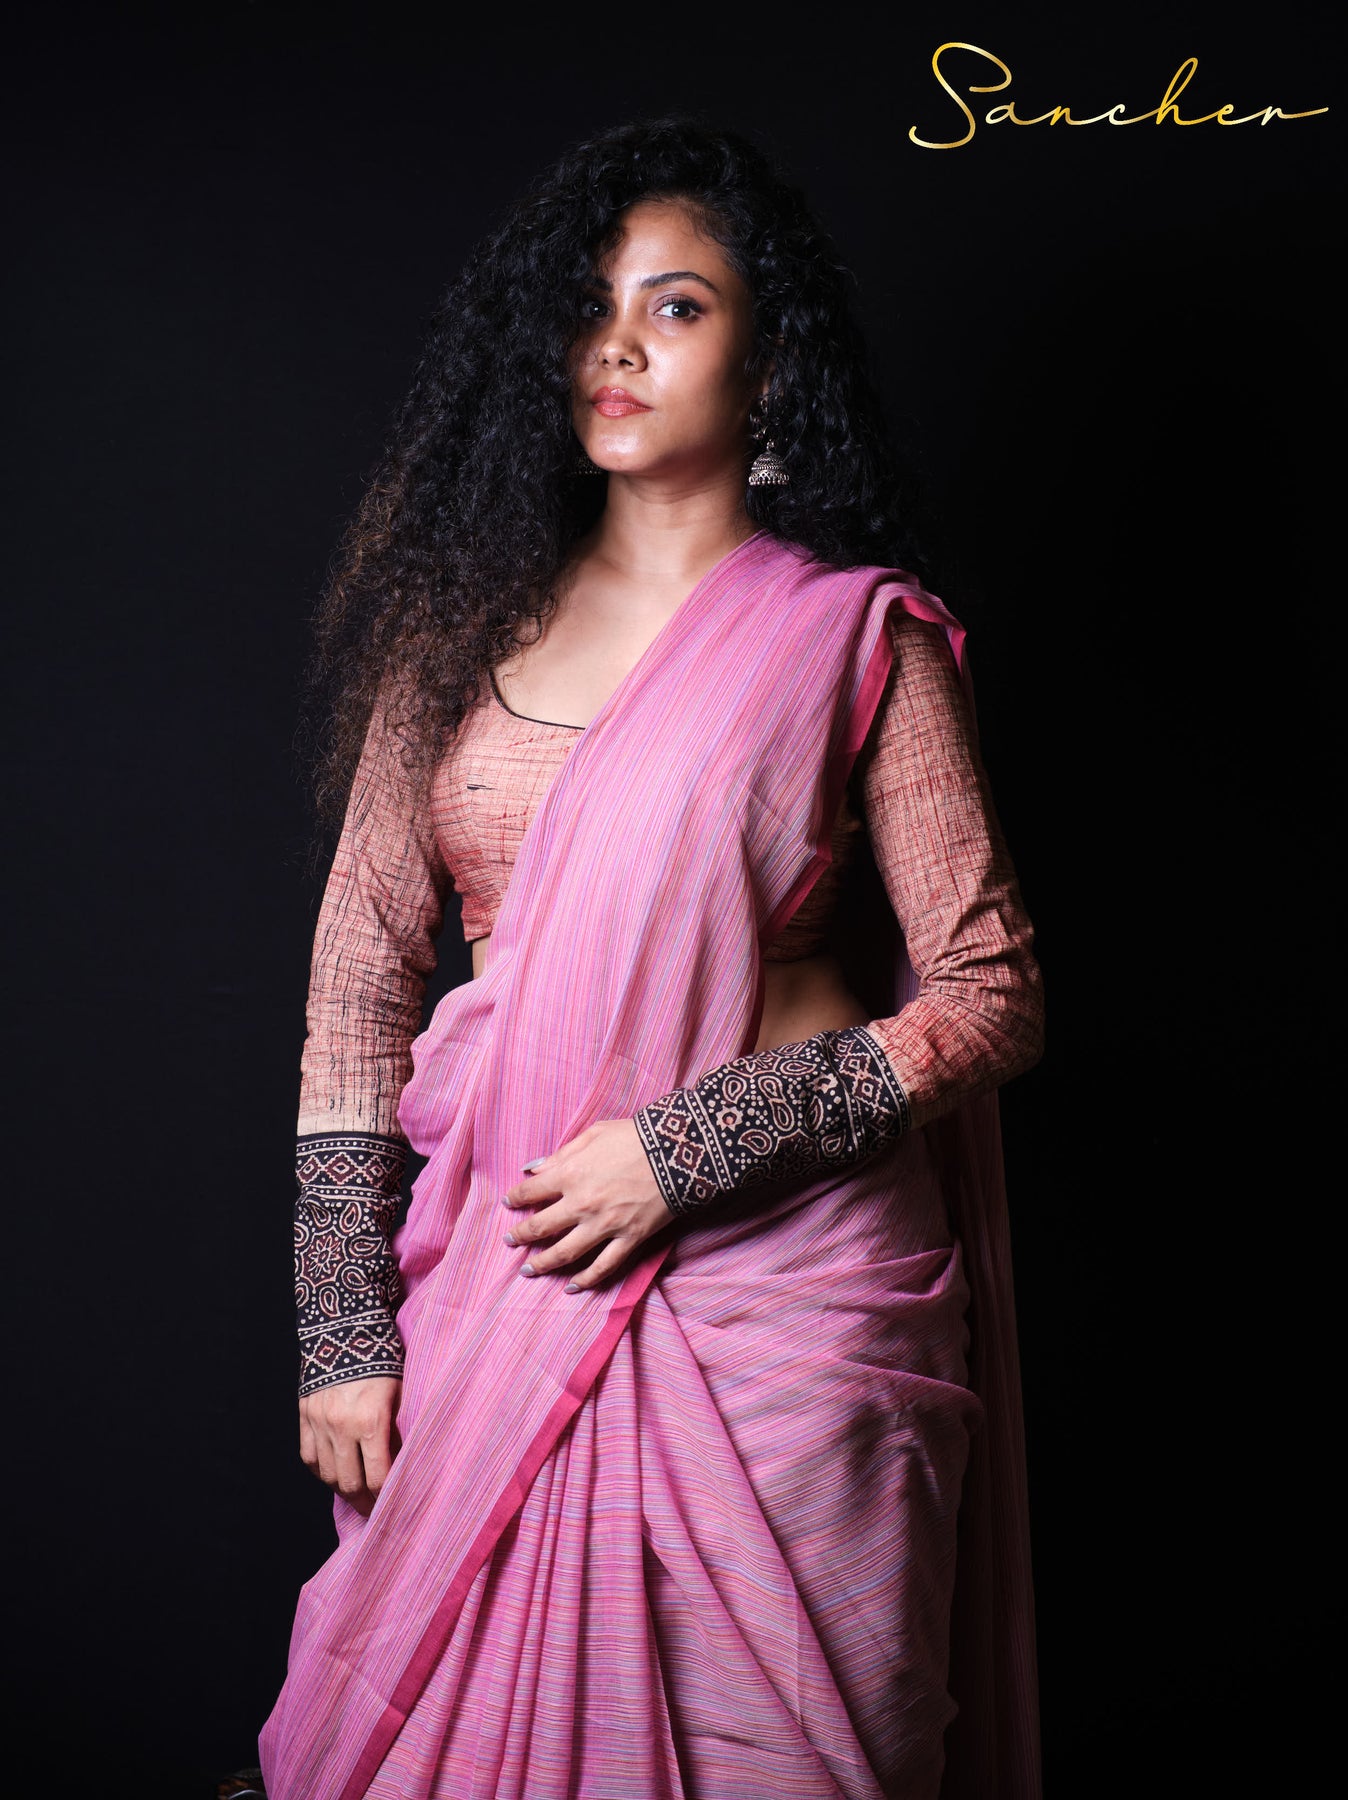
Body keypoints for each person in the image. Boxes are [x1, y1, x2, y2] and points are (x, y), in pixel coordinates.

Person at [260, 114, 1045, 1800]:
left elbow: (988, 1000)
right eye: (591, 308)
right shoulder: (448, 650)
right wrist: (340, 1330)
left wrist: (684, 1151)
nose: (615, 346)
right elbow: (355, 1001)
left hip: (784, 1307)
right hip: (510, 1282)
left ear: (770, 364)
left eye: (675, 306)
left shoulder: (852, 639)